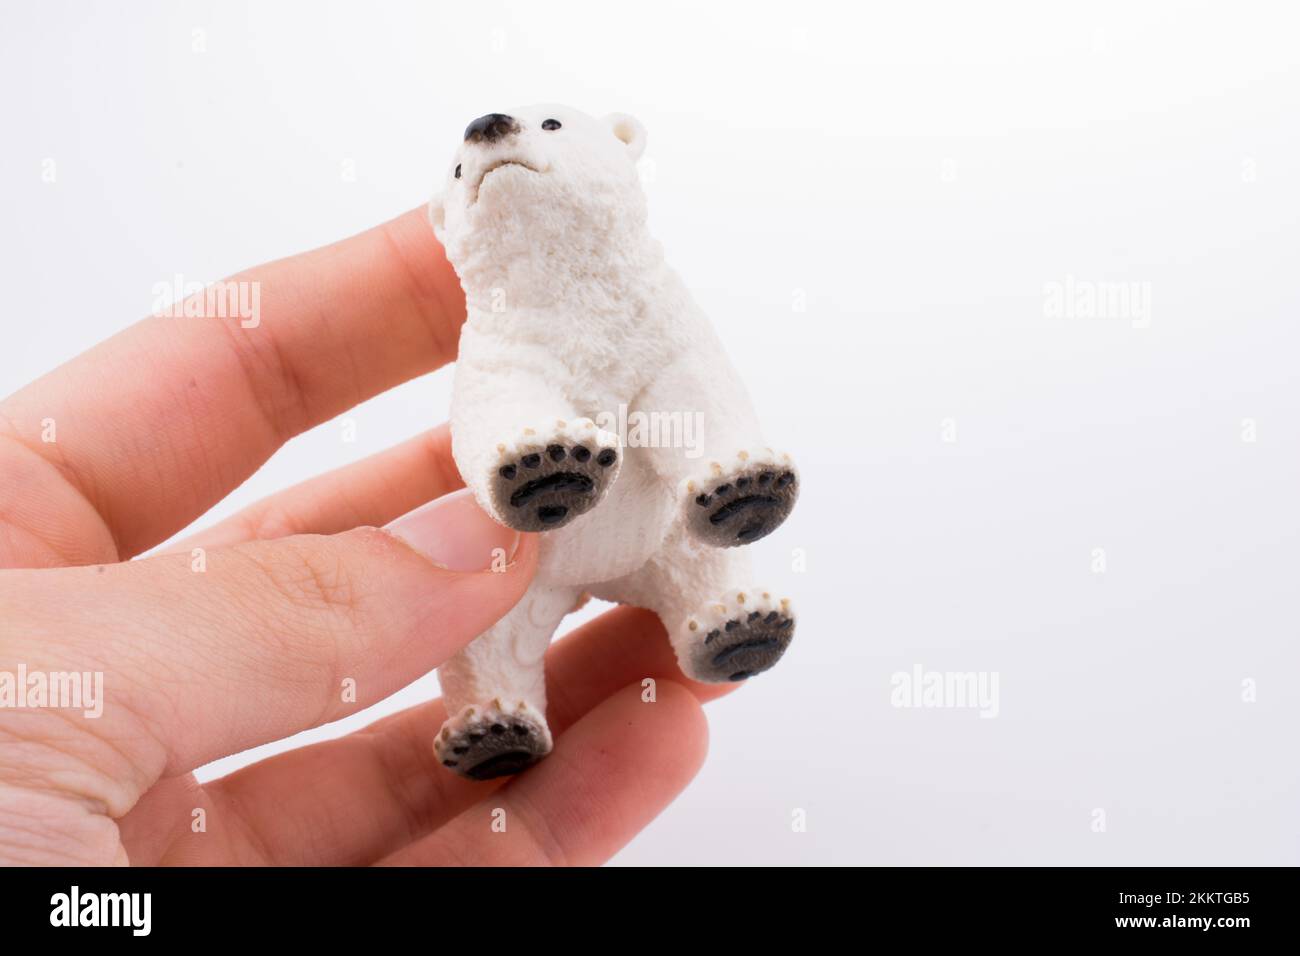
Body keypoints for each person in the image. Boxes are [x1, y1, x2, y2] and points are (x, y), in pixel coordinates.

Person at [0, 209, 725, 865]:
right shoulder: (500, 333)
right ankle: (497, 709)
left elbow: (696, 389)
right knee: (492, 619)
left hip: (652, 523)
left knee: (695, 524)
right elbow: (493, 408)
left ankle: (719, 607)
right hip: (536, 555)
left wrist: (729, 463)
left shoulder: (654, 311)